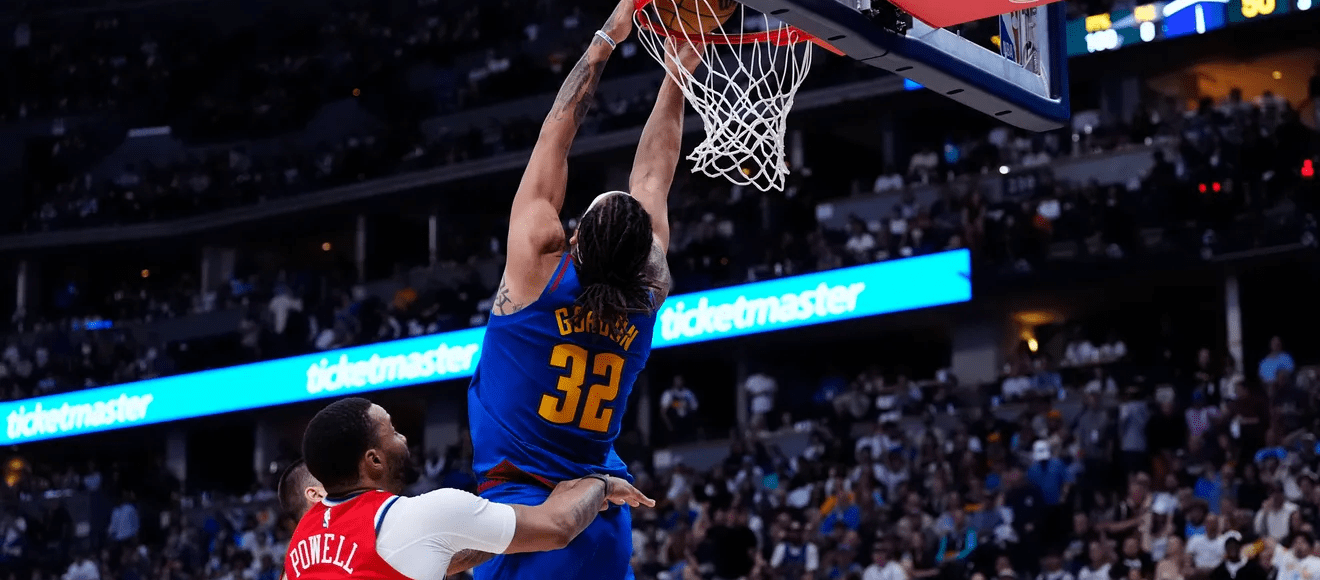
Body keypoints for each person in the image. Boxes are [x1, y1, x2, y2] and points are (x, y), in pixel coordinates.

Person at [464, 0, 702, 578]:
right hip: (602, 514)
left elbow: (557, 131)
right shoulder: (647, 295)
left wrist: (608, 38)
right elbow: (654, 176)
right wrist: (679, 74)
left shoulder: (537, 270)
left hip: (528, 516)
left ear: (574, 239)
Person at [285, 397, 654, 580]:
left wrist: (499, 539)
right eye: (393, 432)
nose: (404, 438)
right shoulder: (421, 516)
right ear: (374, 461)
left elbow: (434, 556)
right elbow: (558, 527)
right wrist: (601, 482)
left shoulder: (302, 541)